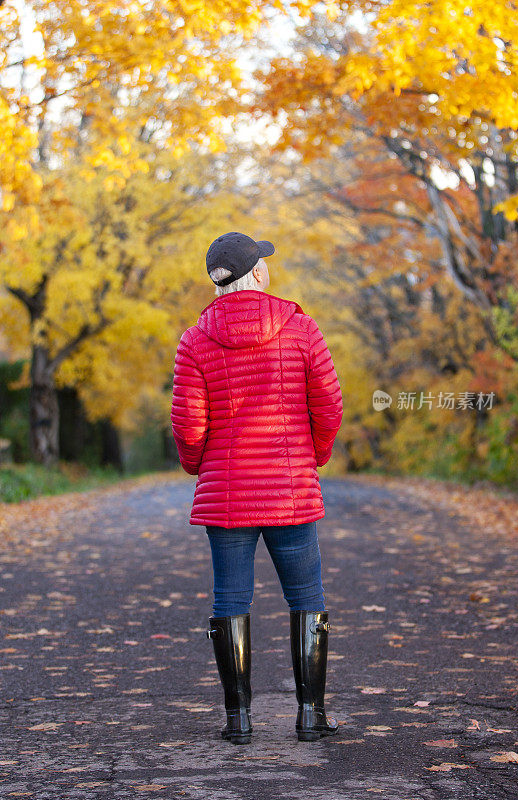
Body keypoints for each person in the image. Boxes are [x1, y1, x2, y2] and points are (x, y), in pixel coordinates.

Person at [170, 231, 343, 745]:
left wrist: (198, 466)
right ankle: (310, 715)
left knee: (230, 599)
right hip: (290, 490)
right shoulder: (300, 329)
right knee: (306, 596)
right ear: (260, 274)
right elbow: (329, 405)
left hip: (227, 496)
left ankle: (238, 720)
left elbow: (187, 427)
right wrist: (315, 456)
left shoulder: (195, 340)